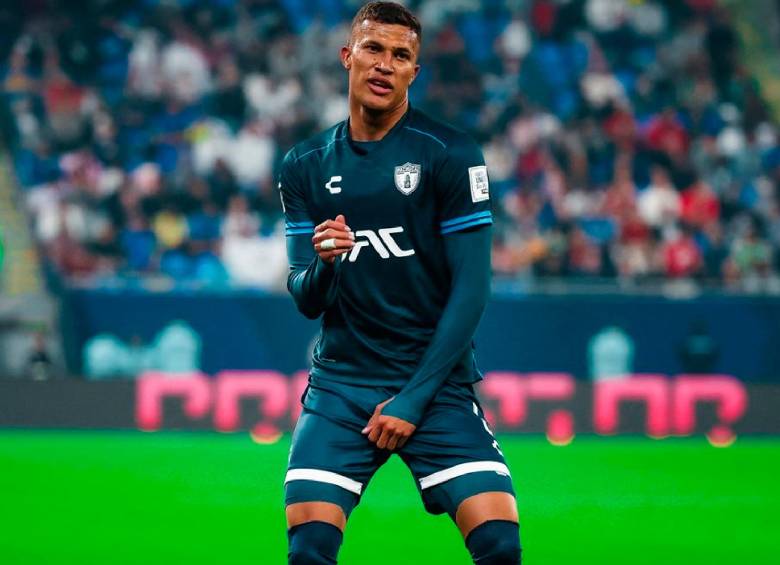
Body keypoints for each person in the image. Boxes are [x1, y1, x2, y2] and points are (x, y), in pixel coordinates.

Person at [279, 3, 520, 564]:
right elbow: (304, 296)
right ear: (347, 57)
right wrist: (327, 264)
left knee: (500, 546)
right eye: (373, 49)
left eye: (401, 55)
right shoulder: (305, 164)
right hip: (342, 384)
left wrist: (412, 398)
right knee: (309, 550)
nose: (385, 64)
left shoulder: (451, 154)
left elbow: (473, 288)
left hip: (434, 386)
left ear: (416, 70)